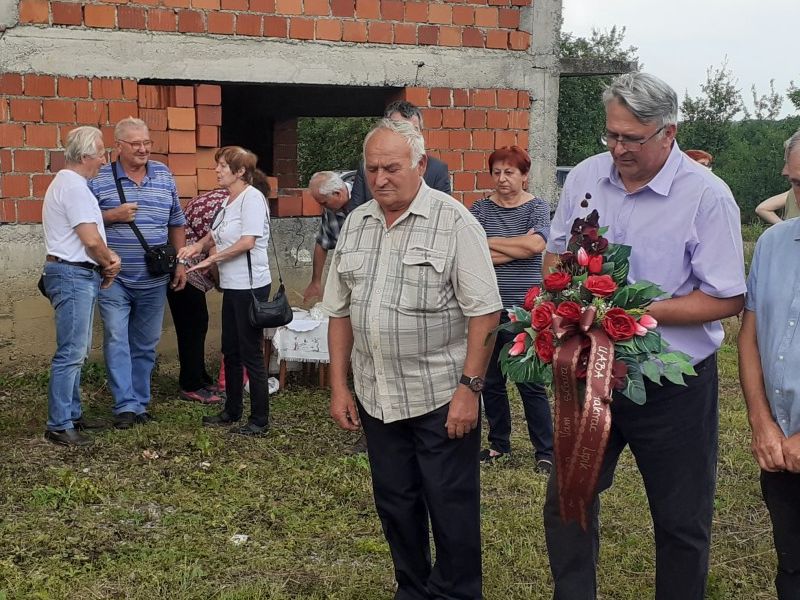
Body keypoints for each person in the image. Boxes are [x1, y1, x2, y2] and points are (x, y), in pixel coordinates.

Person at [542, 72, 746, 599]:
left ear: (668, 134)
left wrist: (630, 312)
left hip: (673, 385)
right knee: (568, 501)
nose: (618, 149)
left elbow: (726, 297)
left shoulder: (706, 196)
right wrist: (566, 294)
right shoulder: (586, 177)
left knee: (681, 521)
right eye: (611, 135)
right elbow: (554, 253)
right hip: (588, 375)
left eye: (632, 138)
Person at [323, 118, 502, 599]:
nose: (380, 179)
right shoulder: (357, 224)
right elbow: (338, 312)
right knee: (396, 503)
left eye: (392, 168)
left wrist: (470, 391)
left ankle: (458, 592)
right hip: (377, 394)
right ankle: (413, 589)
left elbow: (485, 313)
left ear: (421, 165)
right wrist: (340, 386)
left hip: (441, 395)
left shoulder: (455, 221)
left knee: (450, 504)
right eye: (372, 169)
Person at [89, 117, 186, 429]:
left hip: (154, 279)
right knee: (117, 338)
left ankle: (140, 402)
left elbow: (176, 221)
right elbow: (82, 223)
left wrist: (180, 262)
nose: (143, 149)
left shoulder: (163, 174)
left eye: (147, 142)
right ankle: (125, 405)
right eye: (136, 144)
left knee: (145, 342)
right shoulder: (99, 178)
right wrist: (111, 216)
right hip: (112, 278)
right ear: (118, 146)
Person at [738, 129, 800, 600]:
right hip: (780, 449)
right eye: (796, 183)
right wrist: (762, 423)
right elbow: (751, 338)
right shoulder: (774, 244)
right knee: (792, 568)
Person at [469, 145, 554, 472]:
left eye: (510, 172)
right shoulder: (480, 209)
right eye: (497, 172)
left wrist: (488, 242)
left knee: (529, 382)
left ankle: (545, 451)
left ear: (524, 175)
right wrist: (518, 248)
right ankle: (498, 445)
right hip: (487, 307)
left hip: (526, 310)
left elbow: (536, 246)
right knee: (489, 382)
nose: (503, 179)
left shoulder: (537, 208)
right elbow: (472, 252)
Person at [179, 146, 272, 436]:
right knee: (230, 350)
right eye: (217, 165)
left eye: (222, 166)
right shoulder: (230, 200)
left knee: (250, 353)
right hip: (232, 286)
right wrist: (197, 246)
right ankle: (232, 410)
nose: (217, 170)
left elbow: (247, 242)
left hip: (251, 286)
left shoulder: (252, 198)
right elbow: (215, 233)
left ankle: (259, 420)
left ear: (240, 171)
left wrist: (211, 259)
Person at [41, 126, 121, 447]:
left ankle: (71, 415)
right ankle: (59, 423)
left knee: (78, 350)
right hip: (73, 273)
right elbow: (89, 239)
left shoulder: (70, 184)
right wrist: (109, 261)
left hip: (73, 272)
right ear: (86, 155)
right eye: (101, 153)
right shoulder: (74, 187)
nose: (104, 160)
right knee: (72, 352)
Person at [166, 188, 227, 404]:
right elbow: (215, 254)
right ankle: (191, 384)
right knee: (192, 328)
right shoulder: (225, 207)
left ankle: (200, 378)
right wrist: (223, 285)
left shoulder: (213, 199)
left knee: (196, 325)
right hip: (186, 272)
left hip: (181, 267)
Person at [348, 100, 451, 210]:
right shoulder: (366, 167)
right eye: (398, 128)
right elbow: (356, 209)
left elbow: (443, 212)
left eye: (413, 130)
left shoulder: (437, 169)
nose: (380, 180)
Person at [301, 171, 354, 304]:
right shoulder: (331, 210)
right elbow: (322, 243)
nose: (322, 206)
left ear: (337, 193)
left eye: (324, 203)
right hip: (347, 276)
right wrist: (316, 282)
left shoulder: (368, 198)